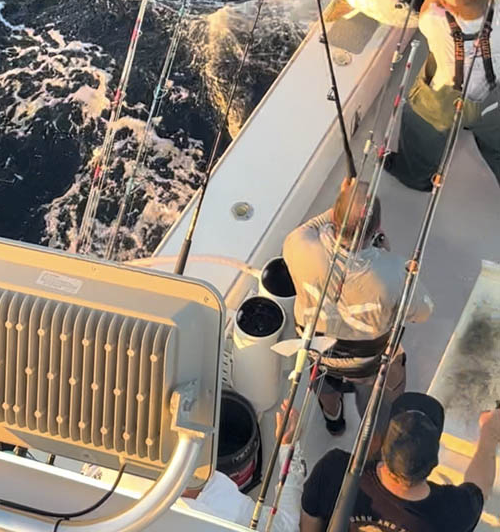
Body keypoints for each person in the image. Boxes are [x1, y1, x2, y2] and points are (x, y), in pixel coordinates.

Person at [283, 180, 433, 435]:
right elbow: (424, 313)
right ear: (376, 228)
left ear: (334, 218)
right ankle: (374, 432)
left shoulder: (296, 244)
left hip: (317, 353)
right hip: (368, 364)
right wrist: (388, 256)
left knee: (324, 385)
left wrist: (345, 199)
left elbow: (317, 225)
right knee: (381, 396)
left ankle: (334, 421)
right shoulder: (396, 273)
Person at [386, 0, 500, 191]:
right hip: (492, 100)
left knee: (419, 135)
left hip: (442, 103)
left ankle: (415, 177)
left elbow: (427, 0)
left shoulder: (434, 21)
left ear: (448, 6)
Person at [299, 391, 499, 532]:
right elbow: (480, 488)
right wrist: (489, 432)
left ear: (383, 448)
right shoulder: (454, 512)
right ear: (433, 462)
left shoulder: (334, 469)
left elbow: (309, 522)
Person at [182, 402, 305, 531]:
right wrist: (288, 447)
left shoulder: (212, 489)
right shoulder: (230, 512)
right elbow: (286, 526)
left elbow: (286, 525)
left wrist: (288, 447)